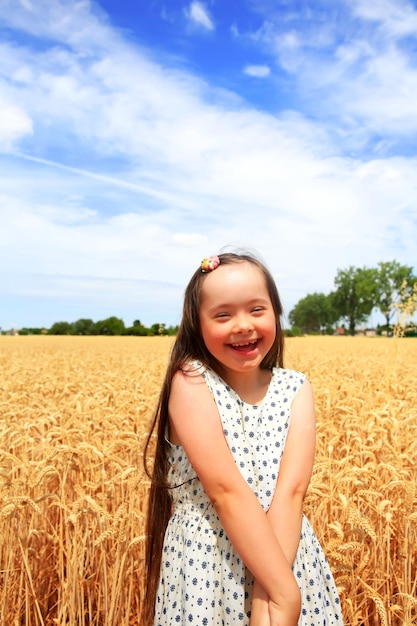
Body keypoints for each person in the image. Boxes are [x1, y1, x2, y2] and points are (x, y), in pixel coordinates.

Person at [142, 251, 343, 626]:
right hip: (208, 566)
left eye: (256, 309)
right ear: (196, 324)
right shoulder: (191, 382)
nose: (242, 325)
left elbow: (291, 493)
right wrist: (283, 596)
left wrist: (272, 591)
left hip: (287, 555)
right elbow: (225, 491)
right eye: (222, 315)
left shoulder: (295, 388)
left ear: (276, 313)